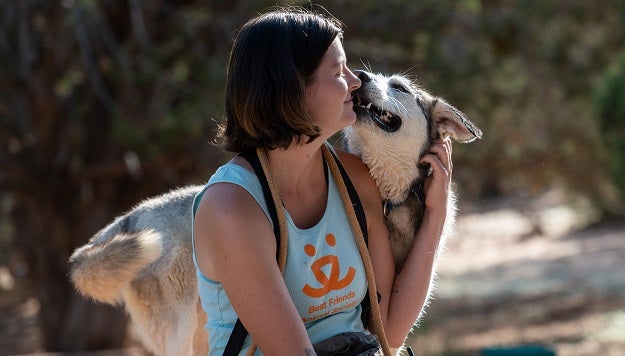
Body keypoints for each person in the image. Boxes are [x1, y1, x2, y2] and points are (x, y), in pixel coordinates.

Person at [192, 7, 453, 355]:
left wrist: (435, 213)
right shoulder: (232, 207)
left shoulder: (356, 180)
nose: (356, 80)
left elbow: (389, 332)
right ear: (291, 89)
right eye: (338, 71)